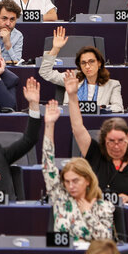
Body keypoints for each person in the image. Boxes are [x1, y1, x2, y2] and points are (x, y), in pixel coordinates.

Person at [66, 71, 128, 203]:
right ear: (104, 140)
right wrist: (72, 96)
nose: (116, 146)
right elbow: (77, 128)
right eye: (111, 141)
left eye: (120, 141)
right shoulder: (95, 154)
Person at [41, 101, 114, 242]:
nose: (71, 186)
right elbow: (47, 164)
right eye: (67, 182)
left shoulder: (103, 206)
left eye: (75, 181)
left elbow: (106, 240)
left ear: (87, 180)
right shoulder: (60, 199)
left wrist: (87, 213)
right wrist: (49, 125)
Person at [40, 27, 124, 112]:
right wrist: (55, 49)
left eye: (91, 61)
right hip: (70, 120)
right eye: (83, 63)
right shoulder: (72, 78)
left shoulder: (113, 85)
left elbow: (118, 108)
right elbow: (45, 72)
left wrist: (98, 108)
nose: (87, 66)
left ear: (99, 63)